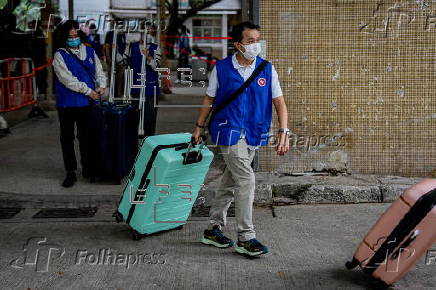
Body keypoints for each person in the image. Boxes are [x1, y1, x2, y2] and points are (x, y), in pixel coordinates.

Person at [192, 22, 290, 257]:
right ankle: (246, 237)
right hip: (229, 131)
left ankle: (213, 229)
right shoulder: (222, 68)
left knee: (230, 179)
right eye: (250, 41)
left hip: (254, 132)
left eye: (258, 40)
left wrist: (284, 131)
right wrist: (198, 128)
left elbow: (279, 103)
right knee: (246, 179)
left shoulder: (267, 69)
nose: (256, 45)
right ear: (237, 45)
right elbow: (209, 99)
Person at [52, 20, 107, 187]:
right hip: (67, 104)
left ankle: (88, 168)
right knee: (67, 137)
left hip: (87, 103)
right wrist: (88, 91)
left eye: (76, 34)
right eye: (70, 36)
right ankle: (70, 172)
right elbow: (67, 80)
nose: (74, 38)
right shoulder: (59, 55)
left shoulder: (90, 51)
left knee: (86, 137)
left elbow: (99, 71)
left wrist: (102, 86)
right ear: (64, 37)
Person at [125, 24, 161, 138]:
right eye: (145, 32)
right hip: (135, 87)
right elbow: (123, 62)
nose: (147, 34)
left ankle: (149, 142)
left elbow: (157, 67)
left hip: (151, 89)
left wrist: (149, 57)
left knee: (149, 119)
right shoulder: (132, 46)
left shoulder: (156, 48)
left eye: (150, 32)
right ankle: (133, 144)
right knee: (134, 117)